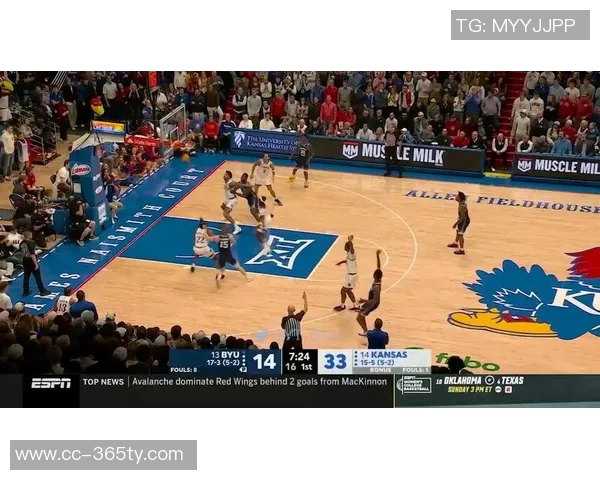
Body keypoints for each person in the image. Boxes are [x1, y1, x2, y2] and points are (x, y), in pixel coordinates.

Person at [356, 250, 383, 336]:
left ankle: (366, 331)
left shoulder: (377, 287)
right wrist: (377, 255)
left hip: (373, 304)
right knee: (359, 316)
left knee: (359, 317)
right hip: (371, 302)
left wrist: (364, 301)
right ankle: (365, 331)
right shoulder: (379, 279)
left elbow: (375, 300)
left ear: (375, 276)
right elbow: (379, 267)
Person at [20, 230, 51, 297]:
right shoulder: (31, 243)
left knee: (26, 277)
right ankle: (42, 291)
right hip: (31, 261)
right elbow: (32, 255)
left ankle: (25, 291)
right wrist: (36, 264)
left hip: (25, 260)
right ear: (29, 235)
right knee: (37, 277)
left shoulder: (22, 243)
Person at [334, 235, 360, 311]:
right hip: (351, 276)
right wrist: (341, 262)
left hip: (352, 276)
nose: (344, 247)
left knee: (343, 290)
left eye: (345, 246)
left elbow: (352, 250)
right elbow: (348, 261)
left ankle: (342, 306)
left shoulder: (352, 254)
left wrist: (350, 241)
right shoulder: (349, 254)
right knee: (348, 290)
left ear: (347, 247)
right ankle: (356, 305)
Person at [447, 191, 470, 255]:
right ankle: (455, 243)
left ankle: (462, 250)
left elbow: (462, 218)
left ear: (459, 198)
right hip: (463, 220)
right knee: (458, 231)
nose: (456, 196)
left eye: (457, 196)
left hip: (464, 221)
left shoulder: (462, 206)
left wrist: (455, 224)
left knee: (460, 235)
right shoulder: (462, 203)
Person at [221, 171, 242, 235]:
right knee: (222, 206)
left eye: (226, 175)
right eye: (225, 174)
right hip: (228, 198)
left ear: (229, 177)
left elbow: (238, 184)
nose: (224, 175)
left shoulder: (230, 183)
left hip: (232, 200)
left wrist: (235, 190)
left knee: (225, 214)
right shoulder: (226, 181)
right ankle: (228, 213)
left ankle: (237, 227)